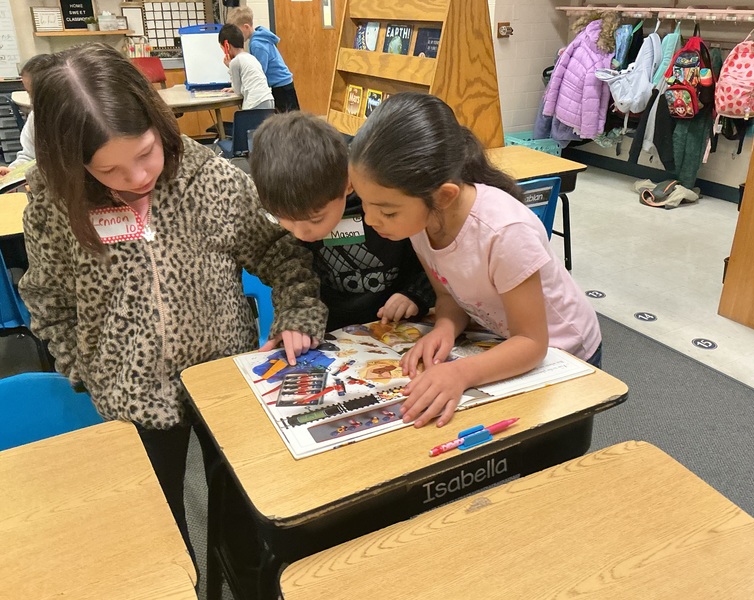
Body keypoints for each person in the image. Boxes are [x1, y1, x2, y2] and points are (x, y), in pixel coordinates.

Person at [18, 43, 327, 562]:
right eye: (110, 171)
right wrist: (86, 368)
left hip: (223, 382)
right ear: (73, 163)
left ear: (158, 124)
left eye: (145, 154)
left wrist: (297, 310)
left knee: (243, 517)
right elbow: (48, 300)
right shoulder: (55, 203)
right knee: (160, 534)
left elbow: (279, 251)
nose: (137, 178)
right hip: (129, 394)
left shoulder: (209, 179)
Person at [348, 92, 602, 429]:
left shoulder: (504, 232)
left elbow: (532, 343)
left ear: (443, 196)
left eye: (386, 210)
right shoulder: (421, 220)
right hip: (503, 341)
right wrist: (446, 327)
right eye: (365, 203)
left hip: (564, 352)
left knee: (551, 456)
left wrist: (461, 371)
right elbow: (448, 294)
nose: (371, 220)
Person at [250, 111, 435, 330]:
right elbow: (291, 277)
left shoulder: (385, 206)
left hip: (397, 323)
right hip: (331, 331)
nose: (301, 233)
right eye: (284, 220)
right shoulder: (287, 208)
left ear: (347, 184)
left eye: (316, 219)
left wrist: (415, 294)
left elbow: (433, 259)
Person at [226, 6, 300, 112]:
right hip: (282, 86)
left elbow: (259, 72)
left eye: (237, 31)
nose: (236, 36)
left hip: (281, 88)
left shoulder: (257, 44)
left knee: (290, 124)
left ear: (246, 27)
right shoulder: (258, 38)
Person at [0, 54, 51, 177]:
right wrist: (13, 172)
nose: (32, 100)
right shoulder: (36, 117)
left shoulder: (76, 117)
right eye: (28, 93)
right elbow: (29, 156)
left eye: (35, 93)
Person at [218, 23, 275, 110]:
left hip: (255, 102)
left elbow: (238, 92)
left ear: (227, 46)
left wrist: (230, 67)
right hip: (268, 99)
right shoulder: (251, 57)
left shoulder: (235, 62)